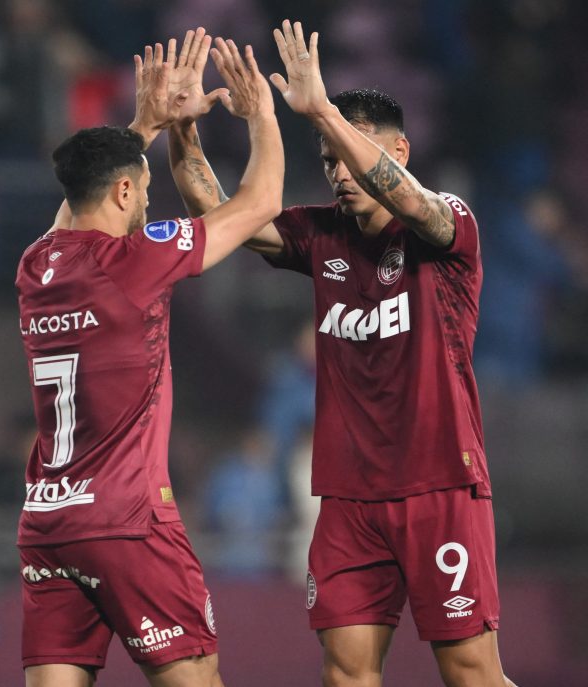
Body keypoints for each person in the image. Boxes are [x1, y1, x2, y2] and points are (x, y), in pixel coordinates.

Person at [167, 19, 516, 687]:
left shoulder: (448, 224)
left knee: (471, 670)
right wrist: (183, 129)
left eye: (349, 154)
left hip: (439, 482)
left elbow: (412, 201)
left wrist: (322, 110)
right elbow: (220, 213)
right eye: (328, 159)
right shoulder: (321, 234)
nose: (339, 172)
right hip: (348, 495)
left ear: (400, 150)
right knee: (345, 672)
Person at [16, 30, 283, 686]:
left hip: (49, 521)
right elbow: (260, 205)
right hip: (127, 519)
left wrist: (146, 127)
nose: (146, 202)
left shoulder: (36, 265)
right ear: (122, 193)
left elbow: (77, 204)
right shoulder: (135, 260)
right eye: (142, 189)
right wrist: (261, 112)